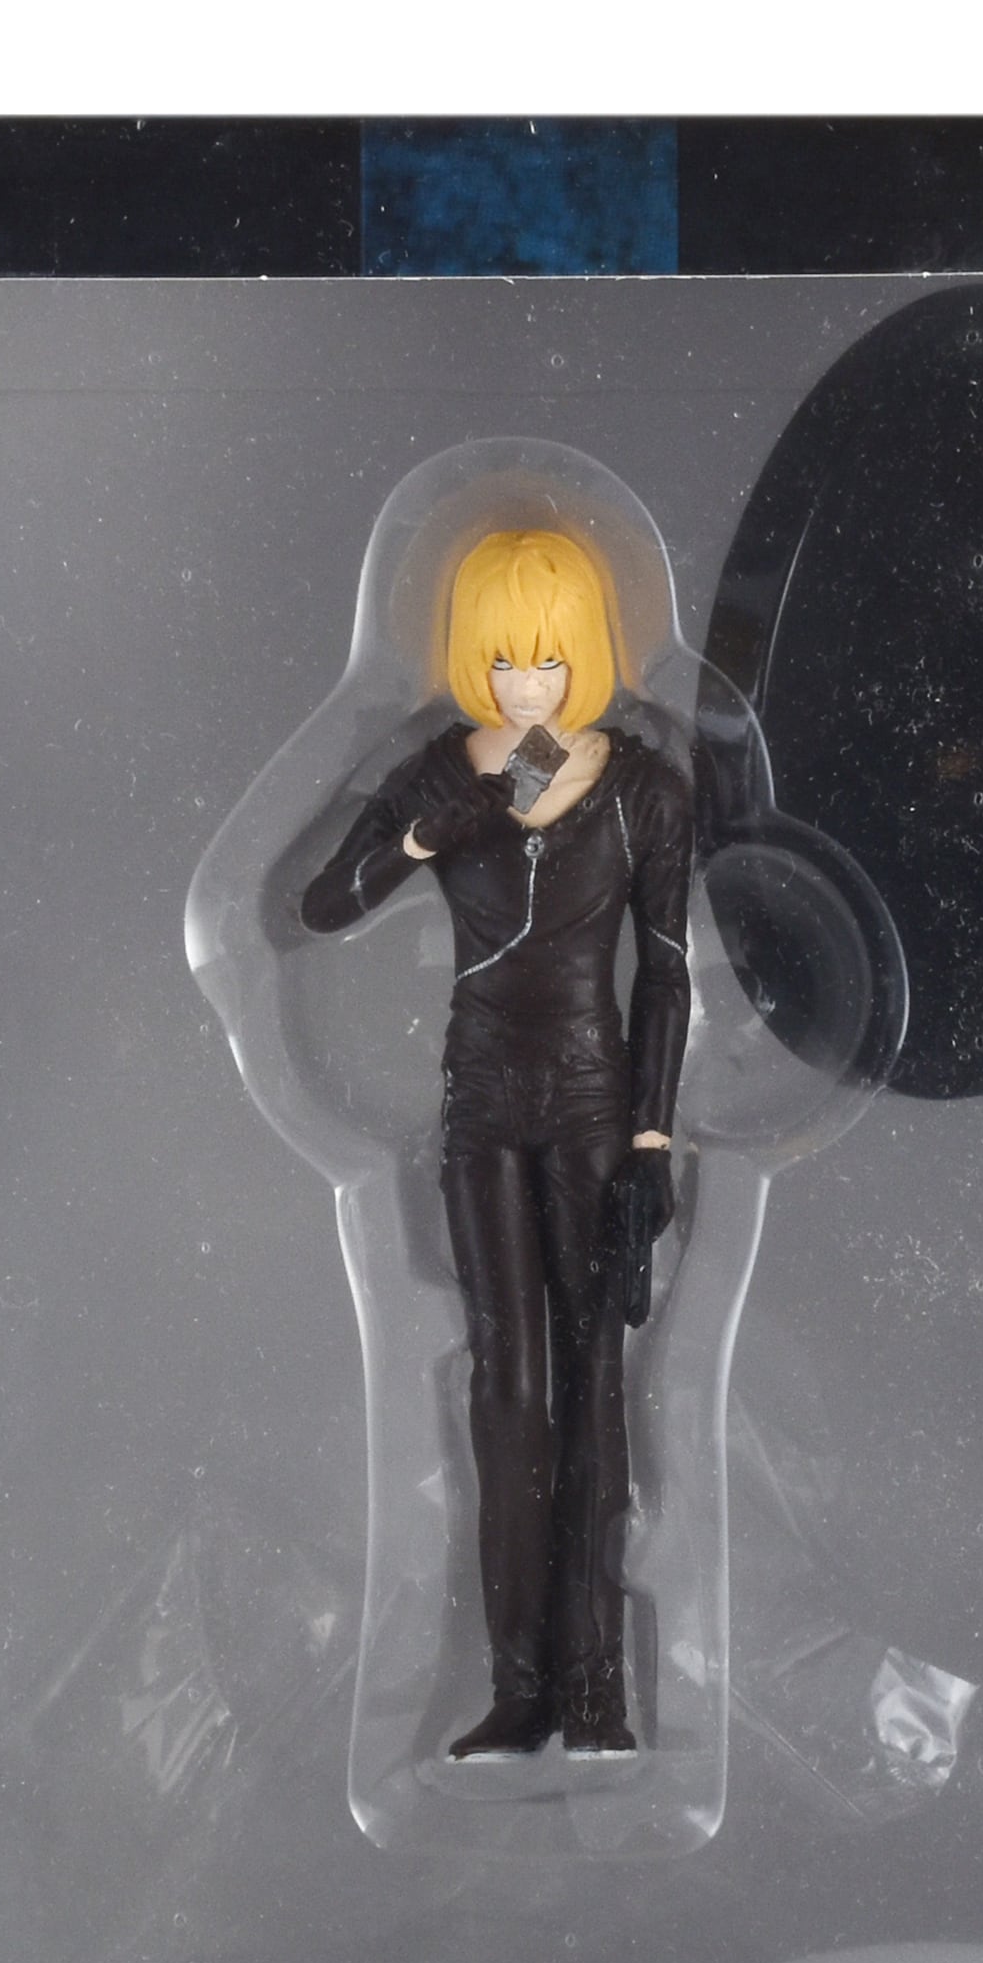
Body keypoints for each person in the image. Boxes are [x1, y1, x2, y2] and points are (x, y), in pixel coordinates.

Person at [300, 529, 693, 1757]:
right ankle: (521, 1693)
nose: (529, 688)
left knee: (595, 1385)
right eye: (507, 662)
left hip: (590, 1103)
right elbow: (324, 904)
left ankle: (598, 1693)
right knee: (504, 1388)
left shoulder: (641, 788)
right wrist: (434, 830)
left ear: (588, 658)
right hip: (480, 1103)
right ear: (475, 658)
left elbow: (666, 973)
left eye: (551, 662)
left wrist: (652, 1135)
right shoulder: (444, 771)